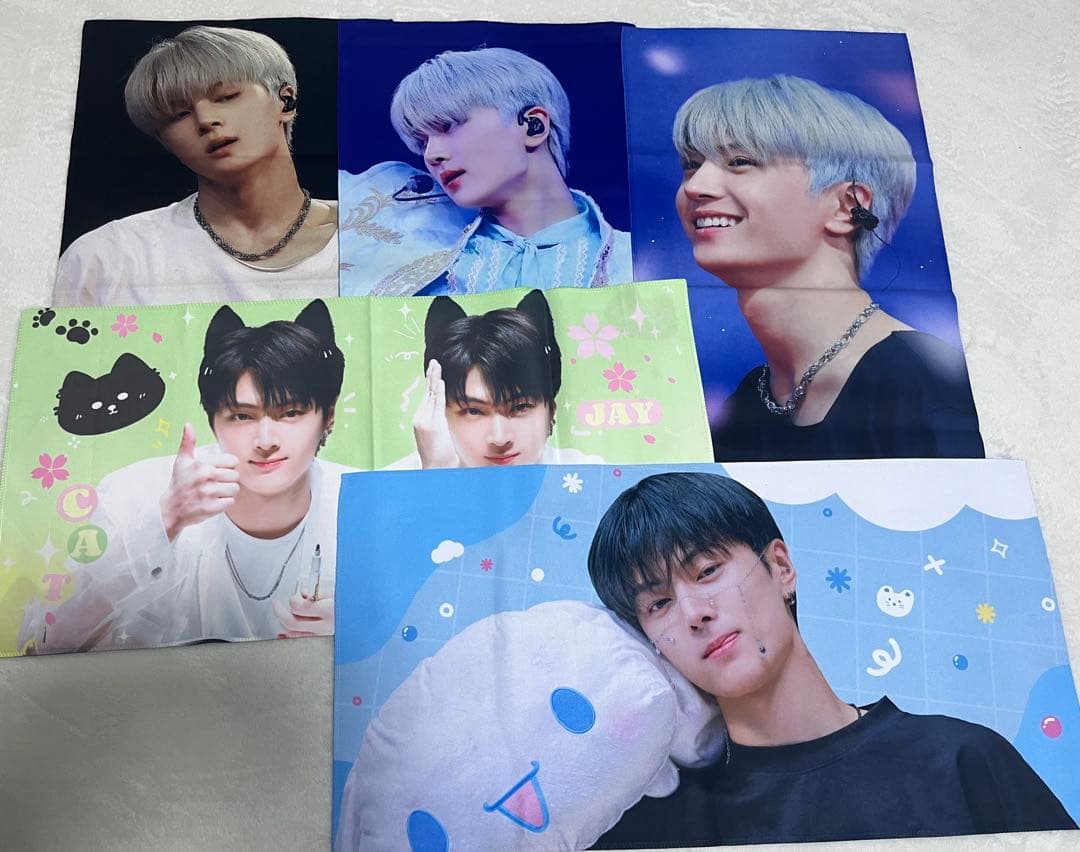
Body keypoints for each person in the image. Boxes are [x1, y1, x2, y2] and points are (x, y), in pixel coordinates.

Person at [586, 472, 1075, 846]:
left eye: (708, 570)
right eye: (659, 604)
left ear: (781, 566)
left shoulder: (959, 759)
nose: (694, 613)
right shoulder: (657, 825)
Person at [671, 75, 984, 461]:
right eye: (691, 165)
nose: (695, 186)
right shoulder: (749, 401)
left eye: (739, 161)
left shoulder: (922, 383)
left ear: (847, 206)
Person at [18, 300, 351, 652]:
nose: (266, 441)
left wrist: (360, 633)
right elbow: (47, 642)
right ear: (212, 418)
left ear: (328, 417)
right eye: (242, 416)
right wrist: (165, 520)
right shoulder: (134, 492)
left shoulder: (365, 503)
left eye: (291, 413)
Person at [54, 25, 338, 306]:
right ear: (164, 141)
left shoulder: (362, 235)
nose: (205, 120)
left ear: (285, 101)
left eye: (226, 97)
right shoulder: (107, 259)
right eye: (179, 114)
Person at [338, 47, 632, 296]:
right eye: (422, 142)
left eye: (448, 126)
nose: (431, 154)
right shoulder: (414, 250)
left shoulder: (632, 261)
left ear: (533, 126)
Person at [394, 289, 601, 468]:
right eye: (473, 411)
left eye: (520, 407)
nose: (500, 439)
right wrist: (436, 473)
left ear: (551, 411)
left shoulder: (589, 472)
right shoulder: (397, 479)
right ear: (441, 415)